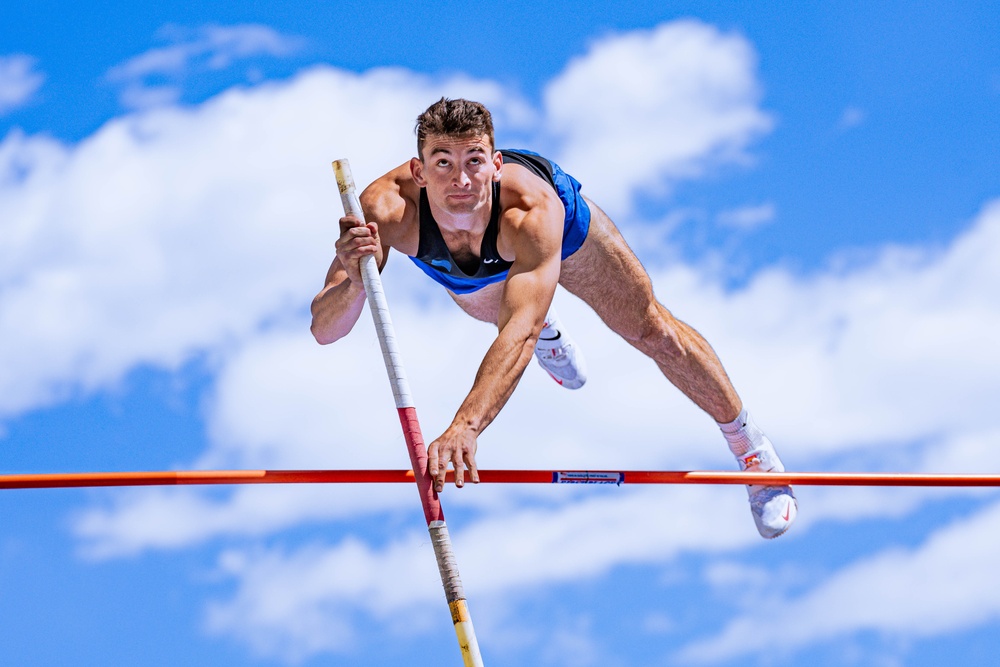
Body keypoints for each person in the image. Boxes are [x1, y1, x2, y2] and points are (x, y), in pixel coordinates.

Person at [311, 98, 797, 539]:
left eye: (474, 162)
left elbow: (516, 333)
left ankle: (753, 452)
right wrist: (355, 281)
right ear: (419, 172)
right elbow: (324, 329)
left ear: (496, 165)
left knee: (649, 328)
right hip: (476, 273)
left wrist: (467, 426)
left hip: (556, 235)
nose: (460, 180)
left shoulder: (532, 210)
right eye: (443, 163)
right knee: (499, 308)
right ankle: (545, 322)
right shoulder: (383, 211)